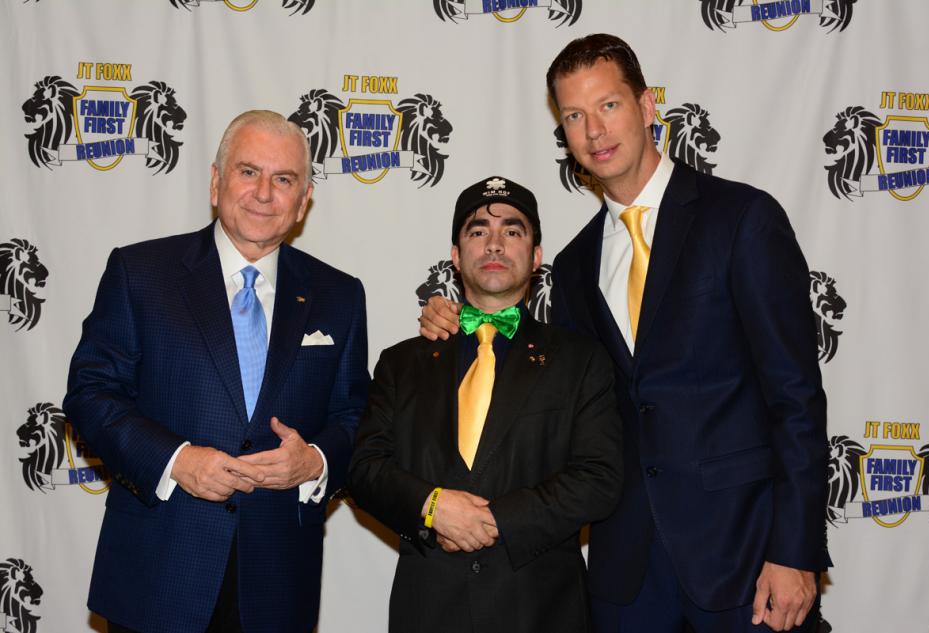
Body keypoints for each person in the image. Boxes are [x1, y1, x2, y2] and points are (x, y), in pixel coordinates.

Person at [420, 35, 829, 633]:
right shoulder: (575, 264)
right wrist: (459, 326)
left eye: (608, 105)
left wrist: (794, 550)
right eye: (574, 116)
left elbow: (796, 397)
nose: (594, 131)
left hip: (744, 558)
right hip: (625, 575)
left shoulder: (741, 218)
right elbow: (550, 390)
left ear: (647, 105)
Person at [63, 110, 369, 633]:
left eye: (284, 179)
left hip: (278, 583)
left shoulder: (339, 295)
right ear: (215, 182)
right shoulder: (141, 274)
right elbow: (91, 392)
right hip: (159, 573)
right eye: (248, 172)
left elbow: (354, 414)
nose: (264, 193)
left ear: (304, 200)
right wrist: (177, 460)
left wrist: (314, 461)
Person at [349, 176, 623, 633]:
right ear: (456, 256)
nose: (494, 243)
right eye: (478, 231)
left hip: (542, 611)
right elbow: (365, 469)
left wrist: (497, 520)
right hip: (429, 611)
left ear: (536, 257)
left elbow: (600, 477)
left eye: (512, 231)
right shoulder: (401, 363)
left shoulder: (581, 360)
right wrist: (433, 506)